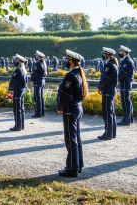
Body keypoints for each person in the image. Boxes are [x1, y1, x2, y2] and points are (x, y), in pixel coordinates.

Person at [56, 49, 88, 177]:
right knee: (76, 138)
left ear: (70, 60)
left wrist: (60, 107)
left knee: (70, 139)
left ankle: (71, 169)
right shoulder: (78, 74)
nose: (65, 61)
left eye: (66, 59)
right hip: (77, 108)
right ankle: (77, 165)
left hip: (70, 109)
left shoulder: (71, 76)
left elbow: (65, 95)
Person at [97, 47, 119, 140]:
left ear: (108, 54)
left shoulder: (109, 65)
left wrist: (99, 86)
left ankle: (108, 134)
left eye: (105, 54)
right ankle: (112, 133)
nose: (103, 55)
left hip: (107, 91)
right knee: (111, 112)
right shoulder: (113, 64)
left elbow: (106, 79)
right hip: (110, 91)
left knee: (107, 113)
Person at [7, 54, 27, 131]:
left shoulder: (18, 70)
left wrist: (10, 89)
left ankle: (17, 126)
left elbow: (13, 81)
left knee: (17, 109)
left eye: (16, 60)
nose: (15, 61)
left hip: (17, 91)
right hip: (21, 90)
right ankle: (21, 125)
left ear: (19, 61)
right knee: (21, 109)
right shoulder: (23, 69)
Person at [118, 45, 135, 126]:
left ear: (124, 52)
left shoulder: (127, 61)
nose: (120, 52)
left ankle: (126, 119)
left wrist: (116, 79)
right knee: (127, 101)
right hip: (125, 83)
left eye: (121, 51)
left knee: (125, 102)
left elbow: (122, 74)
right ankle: (129, 118)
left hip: (125, 83)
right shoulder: (125, 60)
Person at [31, 50, 46, 118]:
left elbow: (34, 72)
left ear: (38, 56)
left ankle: (38, 113)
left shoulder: (37, 63)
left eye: (36, 56)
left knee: (37, 97)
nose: (35, 57)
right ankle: (42, 112)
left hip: (38, 81)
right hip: (42, 81)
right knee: (41, 97)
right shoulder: (44, 63)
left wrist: (32, 80)